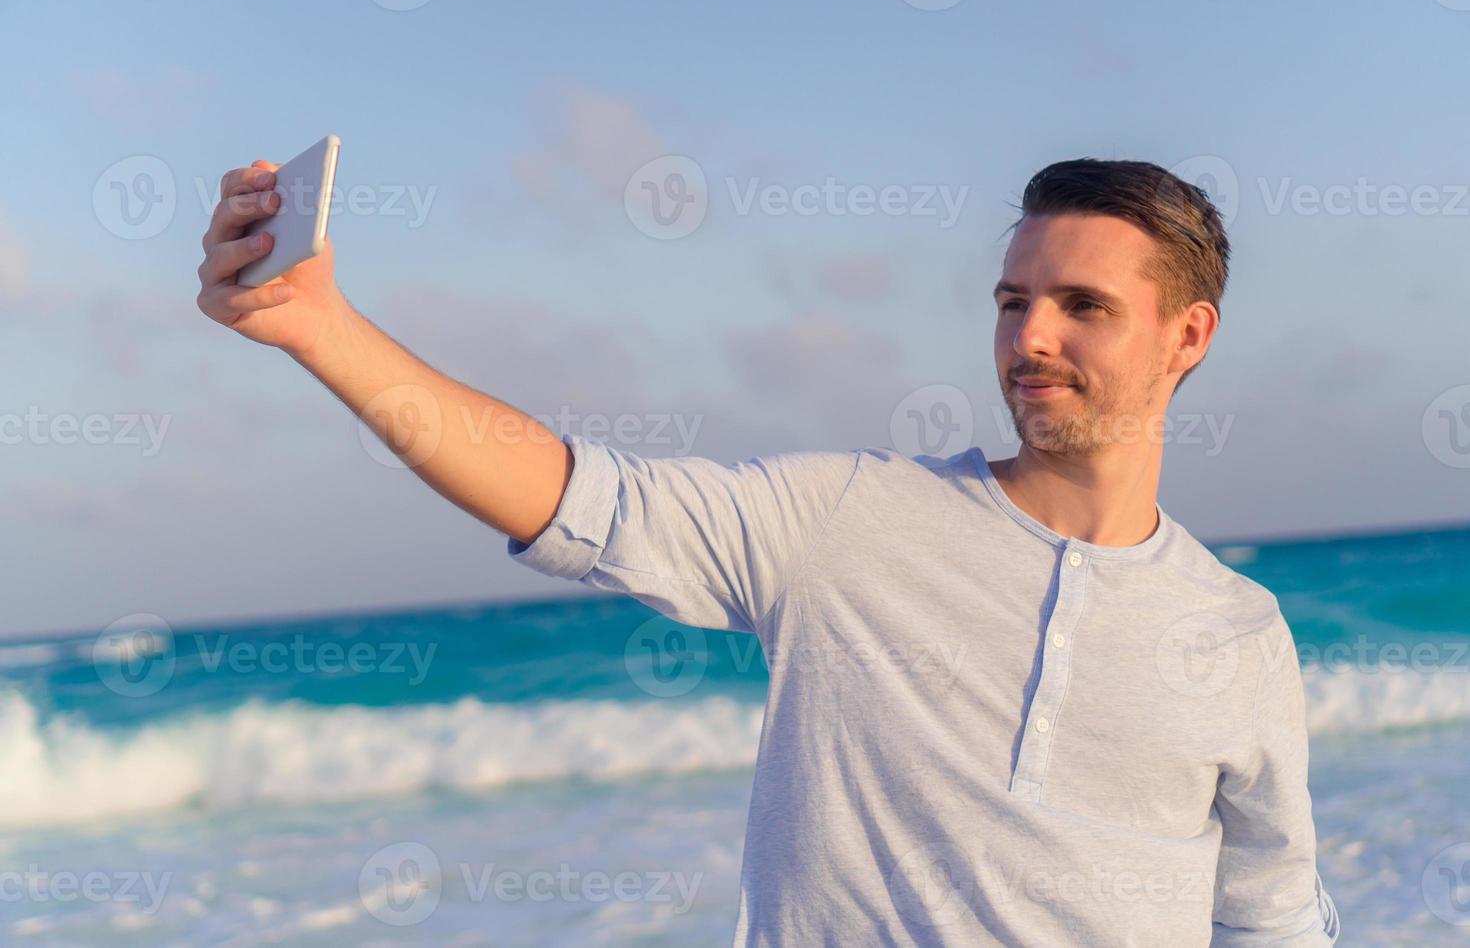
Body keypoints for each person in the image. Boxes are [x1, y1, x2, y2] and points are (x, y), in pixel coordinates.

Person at [196, 156, 1341, 945]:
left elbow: (1271, 914)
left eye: (1081, 304)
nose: (1030, 336)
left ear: (1187, 333)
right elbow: (581, 499)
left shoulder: (1236, 632)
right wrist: (317, 326)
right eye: (1010, 300)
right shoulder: (847, 521)